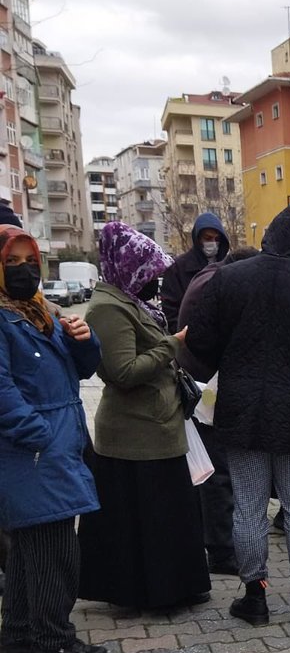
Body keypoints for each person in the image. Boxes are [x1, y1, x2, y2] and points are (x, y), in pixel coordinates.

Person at [186, 205, 290, 626]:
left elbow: (200, 340)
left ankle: (255, 596)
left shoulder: (228, 279)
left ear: (268, 240)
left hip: (242, 410)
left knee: (247, 508)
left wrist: (227, 365)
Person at [79, 223, 211, 610]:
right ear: (129, 269)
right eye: (150, 274)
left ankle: (177, 587)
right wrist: (173, 345)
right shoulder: (107, 308)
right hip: (135, 435)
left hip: (157, 426)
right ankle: (148, 592)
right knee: (147, 517)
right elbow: (122, 372)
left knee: (168, 513)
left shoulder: (130, 301)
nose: (156, 281)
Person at [0, 225, 107, 653]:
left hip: (52, 444)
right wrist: (37, 433)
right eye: (11, 264)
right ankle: (53, 643)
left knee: (28, 544)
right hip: (35, 449)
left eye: (30, 262)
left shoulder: (41, 311)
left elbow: (82, 368)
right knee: (54, 547)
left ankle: (20, 630)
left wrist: (85, 339)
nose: (24, 271)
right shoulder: (3, 319)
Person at [177, 246, 260, 576]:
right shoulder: (219, 285)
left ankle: (215, 541)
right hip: (207, 390)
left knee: (211, 471)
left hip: (201, 385)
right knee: (218, 472)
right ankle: (223, 552)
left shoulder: (209, 277)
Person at [161, 212, 229, 331]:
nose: (213, 242)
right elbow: (170, 309)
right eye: (207, 238)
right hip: (189, 335)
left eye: (217, 239)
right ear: (198, 239)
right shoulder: (177, 268)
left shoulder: (227, 265)